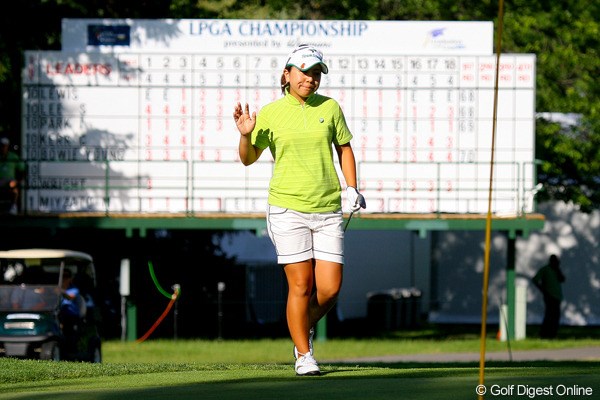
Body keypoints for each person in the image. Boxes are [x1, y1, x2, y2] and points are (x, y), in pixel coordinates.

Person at [233, 44, 366, 376]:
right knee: (301, 285)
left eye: (317, 73)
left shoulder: (331, 108)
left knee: (330, 288)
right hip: (287, 208)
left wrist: (351, 187)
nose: (311, 78)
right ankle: (304, 355)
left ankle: (298, 327)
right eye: (305, 72)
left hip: (327, 209)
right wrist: (246, 136)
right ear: (287, 74)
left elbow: (344, 148)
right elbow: (248, 158)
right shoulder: (272, 112)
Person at [532, 254, 566, 339]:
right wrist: (543, 290)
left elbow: (562, 279)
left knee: (556, 316)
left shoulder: (557, 270)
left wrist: (558, 269)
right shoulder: (545, 269)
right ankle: (544, 334)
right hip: (549, 296)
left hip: (557, 296)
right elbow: (535, 279)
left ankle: (553, 334)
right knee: (549, 315)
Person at [0, 136, 25, 215]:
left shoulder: (13, 156)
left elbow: (22, 167)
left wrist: (19, 180)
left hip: (10, 180)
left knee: (14, 187)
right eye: (2, 145)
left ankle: (13, 207)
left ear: (7, 146)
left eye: (5, 145)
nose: (3, 147)